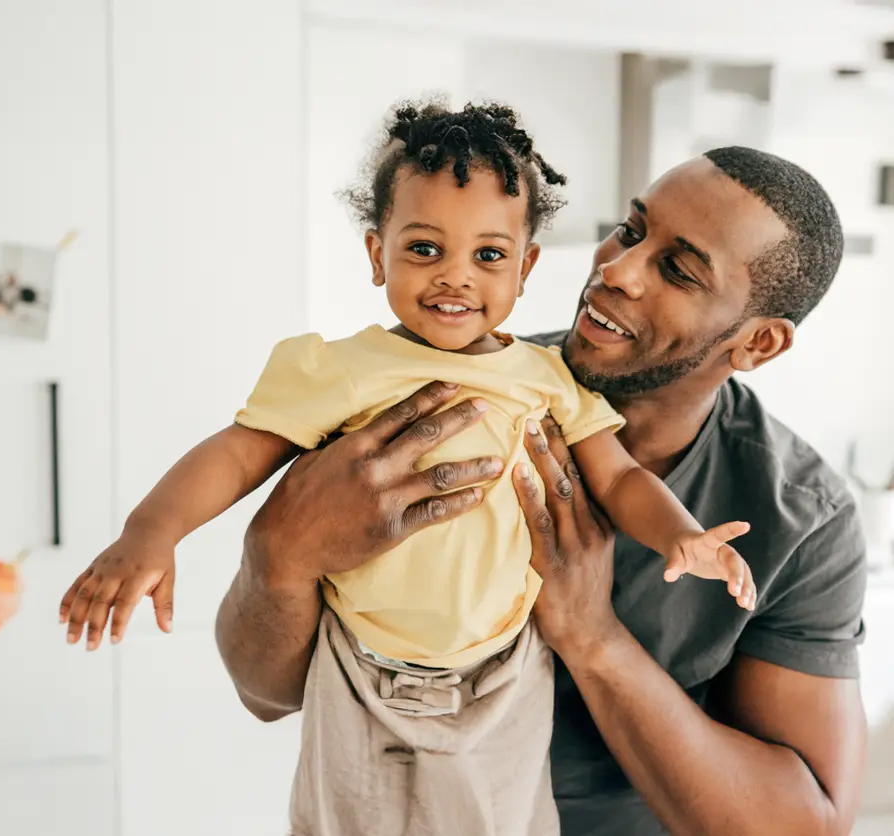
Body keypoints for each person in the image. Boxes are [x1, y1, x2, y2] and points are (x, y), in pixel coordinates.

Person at [213, 137, 867, 834]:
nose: (616, 269)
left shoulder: (801, 519)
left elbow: (805, 824)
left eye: (676, 270)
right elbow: (267, 696)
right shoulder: (441, 393)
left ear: (757, 344)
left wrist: (592, 636)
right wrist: (277, 553)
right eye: (631, 229)